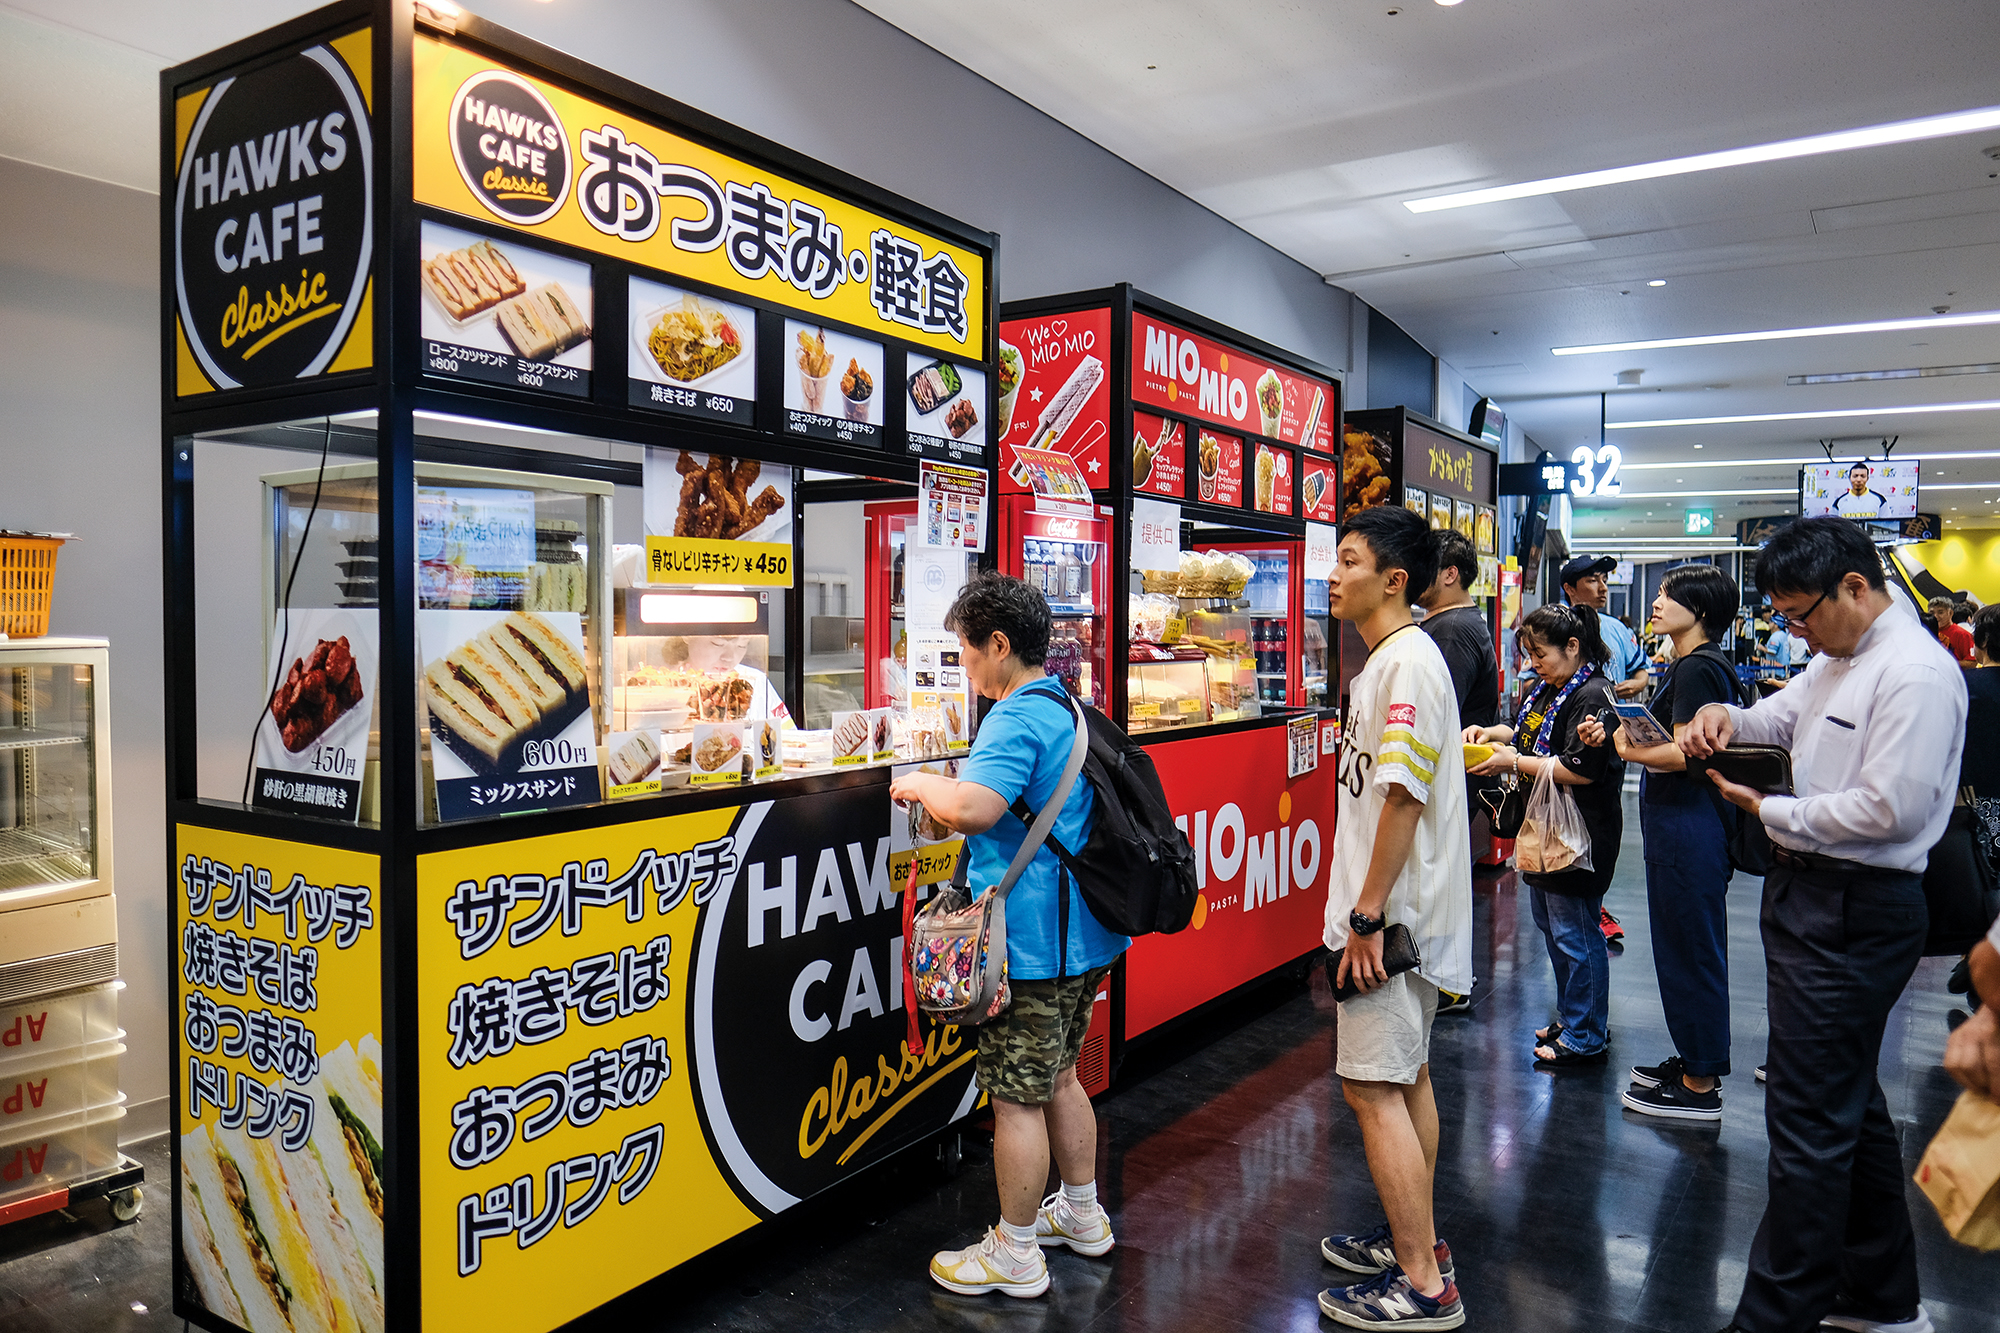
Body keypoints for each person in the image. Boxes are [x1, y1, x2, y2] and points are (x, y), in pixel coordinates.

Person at [1684, 517, 1965, 1333]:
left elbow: (1889, 810)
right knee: (1845, 1102)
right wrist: (1723, 716)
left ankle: (1776, 1315)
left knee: (1807, 1121)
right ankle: (1881, 1296)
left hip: (1855, 905)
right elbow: (1779, 716)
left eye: (1800, 614)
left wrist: (1769, 809)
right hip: (1811, 896)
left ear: (1855, 585)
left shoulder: (1915, 673)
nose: (1795, 632)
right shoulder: (1835, 657)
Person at [887, 573, 1129, 1299]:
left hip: (1027, 945)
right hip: (1083, 937)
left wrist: (922, 785)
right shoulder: (1062, 702)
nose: (962, 664)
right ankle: (1081, 1214)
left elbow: (976, 809)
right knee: (1061, 1075)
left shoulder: (1016, 715)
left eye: (965, 650)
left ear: (999, 644)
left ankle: (1017, 1252)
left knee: (1015, 1098)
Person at [1316, 505, 1471, 1330]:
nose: (1332, 575)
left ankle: (1422, 1284)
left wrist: (1367, 914)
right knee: (1406, 1076)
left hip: (1392, 923)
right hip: (1405, 916)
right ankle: (1418, 1241)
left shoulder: (1405, 663)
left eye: (1349, 560)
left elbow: (1402, 796)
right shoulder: (1392, 660)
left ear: (1394, 579)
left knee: (1371, 1084)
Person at [1579, 565, 1741, 1120]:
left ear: (1701, 610)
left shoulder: (1697, 667)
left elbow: (1684, 751)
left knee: (1690, 948)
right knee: (1684, 945)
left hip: (1688, 823)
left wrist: (1627, 749)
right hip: (1684, 821)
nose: (1656, 601)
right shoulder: (1691, 663)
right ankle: (1694, 1059)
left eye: (1669, 595)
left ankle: (1699, 1084)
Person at [1468, 603, 1622, 1067]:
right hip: (1547, 830)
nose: (1533, 664)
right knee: (1553, 928)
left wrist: (1512, 761)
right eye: (1529, 655)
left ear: (1572, 647)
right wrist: (1491, 735)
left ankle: (1586, 1033)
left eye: (1540, 654)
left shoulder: (1592, 694)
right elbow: (1526, 734)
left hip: (1579, 834)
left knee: (1576, 933)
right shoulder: (1549, 688)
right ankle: (1576, 1017)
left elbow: (1580, 769)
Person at [1418, 529, 1496, 1016]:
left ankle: (1446, 982)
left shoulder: (1451, 630)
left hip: (1447, 777)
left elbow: (1435, 712)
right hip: (1455, 777)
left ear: (1450, 574)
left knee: (1438, 876)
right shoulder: (1456, 622)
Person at [1930, 595, 1974, 666]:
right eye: (1931, 613)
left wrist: (1945, 664)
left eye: (1940, 612)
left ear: (1950, 613)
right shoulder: (1926, 633)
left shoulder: (1963, 635)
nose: (1935, 616)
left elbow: (1972, 663)